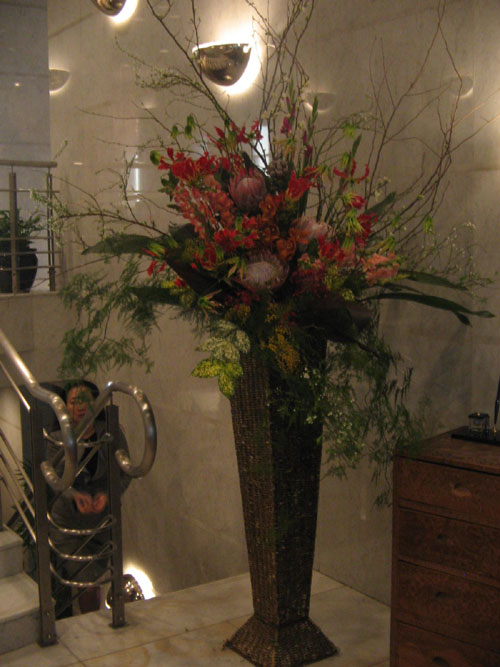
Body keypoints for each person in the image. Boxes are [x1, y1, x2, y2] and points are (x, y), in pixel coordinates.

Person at [46, 380, 131, 615]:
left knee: (93, 582)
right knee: (85, 583)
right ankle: (88, 622)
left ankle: (93, 621)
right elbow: (54, 480)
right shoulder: (56, 438)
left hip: (101, 523)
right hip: (68, 525)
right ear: (65, 406)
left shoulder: (111, 433)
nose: (81, 406)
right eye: (74, 401)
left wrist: (109, 495)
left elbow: (126, 473)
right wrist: (75, 497)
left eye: (87, 400)